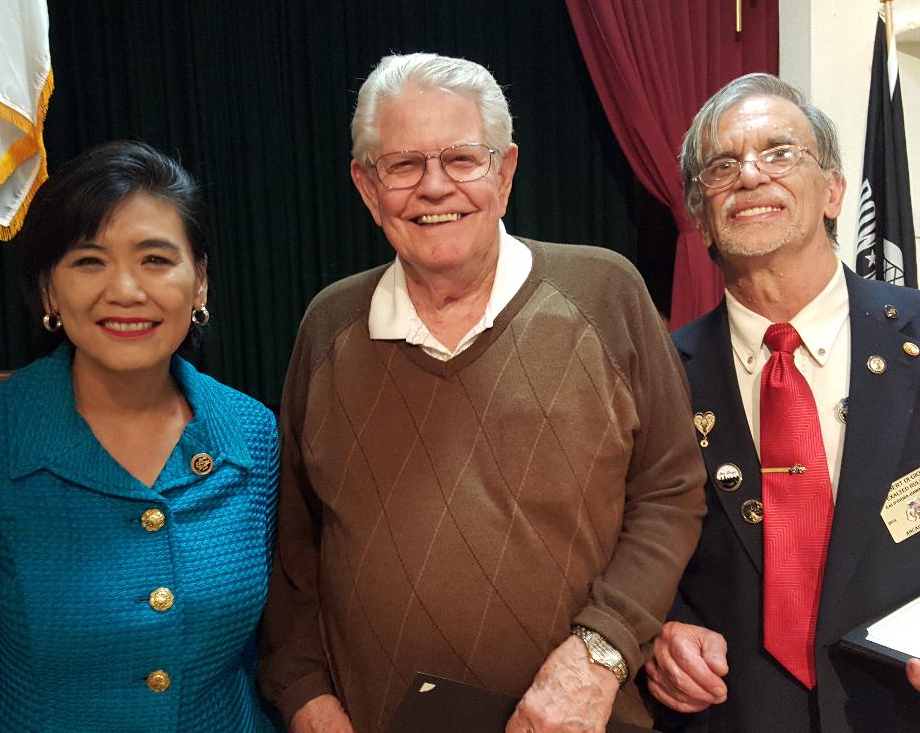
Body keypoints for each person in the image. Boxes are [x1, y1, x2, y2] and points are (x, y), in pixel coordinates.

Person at [257, 52, 706, 733]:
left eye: (462, 159)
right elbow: (296, 551)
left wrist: (599, 653)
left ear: (506, 171)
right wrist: (306, 699)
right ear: (366, 185)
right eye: (404, 165)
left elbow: (671, 492)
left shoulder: (605, 295)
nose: (434, 187)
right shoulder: (328, 326)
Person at [645, 73, 920, 731]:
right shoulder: (655, 375)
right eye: (721, 165)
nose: (750, 174)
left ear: (834, 190)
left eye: (780, 152)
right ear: (700, 215)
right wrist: (660, 632)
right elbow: (621, 548)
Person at [0, 141, 279, 731]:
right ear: (49, 290)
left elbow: (262, 656)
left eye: (155, 259)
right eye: (89, 261)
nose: (125, 290)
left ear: (199, 283)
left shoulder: (252, 435)